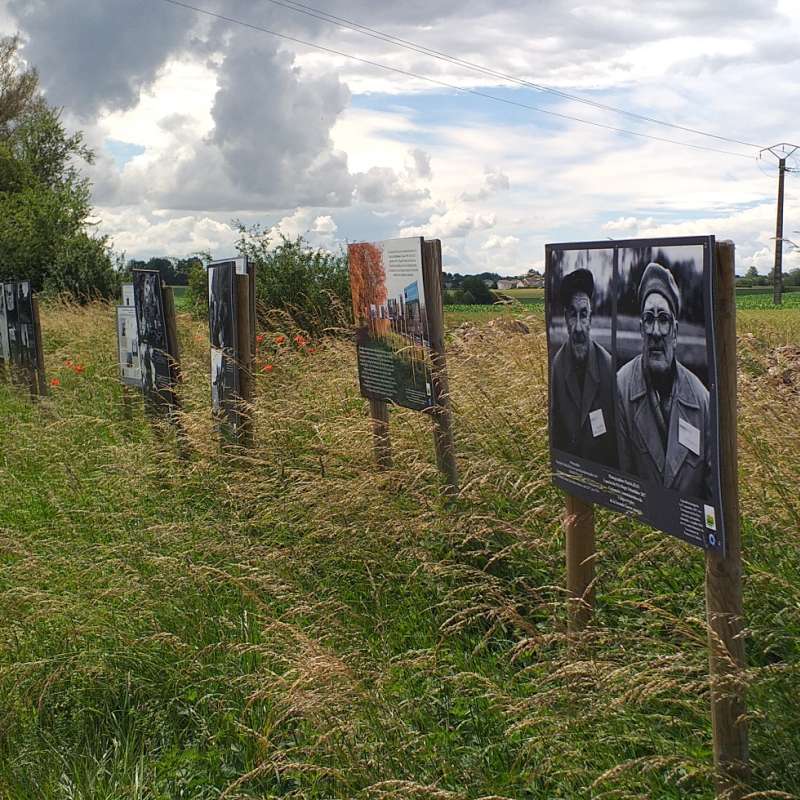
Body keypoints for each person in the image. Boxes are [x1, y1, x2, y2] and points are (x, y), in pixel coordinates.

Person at [616, 262, 711, 500]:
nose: (656, 331)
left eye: (663, 319)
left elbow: (710, 489)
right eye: (648, 319)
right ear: (640, 330)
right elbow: (622, 479)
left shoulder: (702, 399)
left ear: (676, 332)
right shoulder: (620, 387)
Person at [550, 267, 618, 467]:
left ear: (591, 319)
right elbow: (557, 433)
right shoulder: (557, 366)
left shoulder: (608, 366)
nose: (579, 327)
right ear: (565, 319)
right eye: (573, 315)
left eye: (584, 315)